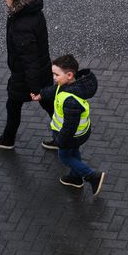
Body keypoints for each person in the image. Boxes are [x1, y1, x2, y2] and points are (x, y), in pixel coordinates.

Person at [0, 0, 54, 150]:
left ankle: (8, 139)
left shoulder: (22, 25)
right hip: (42, 69)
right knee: (48, 103)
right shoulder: (32, 10)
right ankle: (63, 135)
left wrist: (34, 88)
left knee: (13, 104)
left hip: (25, 75)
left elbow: (29, 59)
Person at [32, 54, 105, 194]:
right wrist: (41, 94)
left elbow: (69, 127)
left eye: (56, 74)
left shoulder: (70, 101)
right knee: (74, 152)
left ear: (69, 75)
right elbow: (55, 90)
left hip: (71, 135)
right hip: (79, 134)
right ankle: (75, 178)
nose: (54, 77)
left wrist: (60, 141)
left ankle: (92, 176)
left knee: (65, 156)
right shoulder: (66, 85)